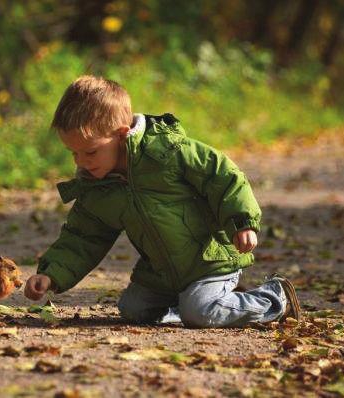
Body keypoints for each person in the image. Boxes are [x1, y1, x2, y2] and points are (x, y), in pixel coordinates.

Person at [24, 75, 300, 327]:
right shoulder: (97, 187)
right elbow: (83, 236)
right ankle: (195, 303)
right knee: (133, 309)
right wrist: (52, 275)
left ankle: (274, 298)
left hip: (210, 262)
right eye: (74, 154)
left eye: (91, 152)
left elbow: (223, 176)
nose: (82, 163)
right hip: (162, 274)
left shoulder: (167, 152)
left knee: (200, 312)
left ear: (120, 135)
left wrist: (242, 222)